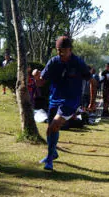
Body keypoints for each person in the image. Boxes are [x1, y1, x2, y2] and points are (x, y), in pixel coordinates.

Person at [37, 35, 95, 170]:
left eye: (63, 50)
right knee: (51, 129)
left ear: (70, 49)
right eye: (58, 50)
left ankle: (49, 160)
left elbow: (92, 81)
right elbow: (41, 82)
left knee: (54, 125)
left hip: (71, 101)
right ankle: (53, 153)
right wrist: (35, 76)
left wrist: (92, 102)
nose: (60, 53)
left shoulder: (78, 63)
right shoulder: (53, 62)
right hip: (54, 99)